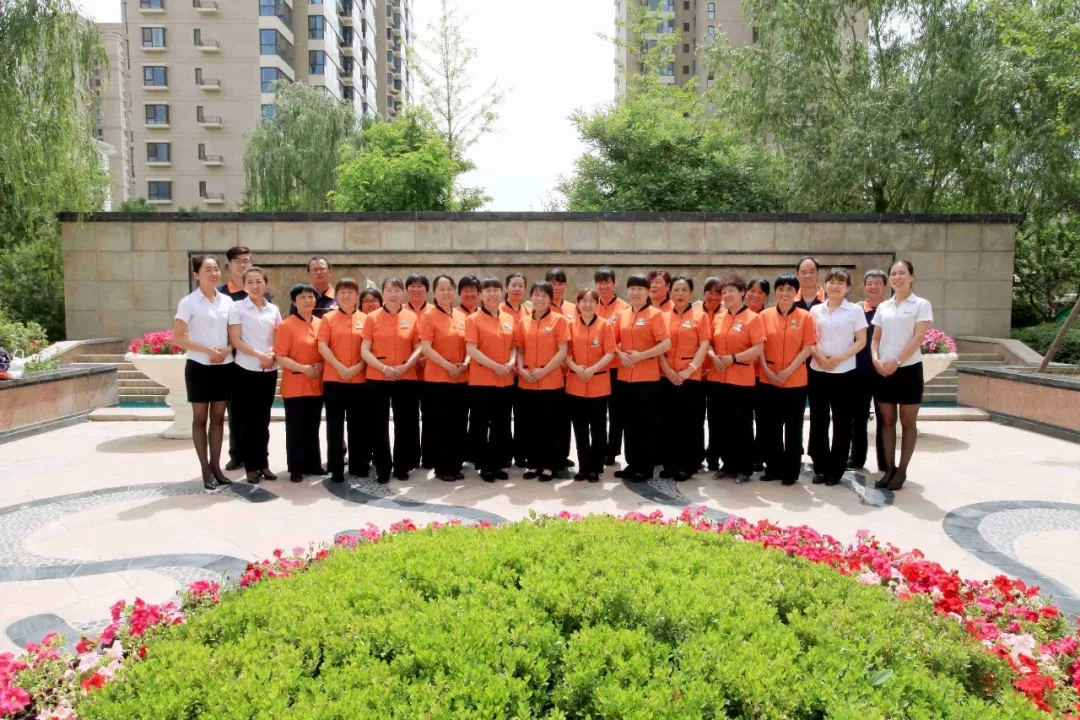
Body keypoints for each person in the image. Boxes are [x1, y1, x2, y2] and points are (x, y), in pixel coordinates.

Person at [172, 255, 234, 489]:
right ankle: (205, 469)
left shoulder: (227, 302)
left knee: (218, 417)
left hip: (224, 366)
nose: (214, 273)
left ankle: (216, 466)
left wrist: (226, 350)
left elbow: (235, 334)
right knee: (200, 418)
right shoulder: (188, 302)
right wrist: (207, 350)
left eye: (216, 269)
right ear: (196, 274)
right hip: (199, 366)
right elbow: (177, 338)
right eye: (208, 270)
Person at [871, 260, 933, 491]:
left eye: (902, 273)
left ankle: (902, 470)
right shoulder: (883, 307)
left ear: (911, 277)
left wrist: (897, 362)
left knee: (907, 422)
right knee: (887, 420)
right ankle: (889, 468)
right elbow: (876, 338)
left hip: (908, 370)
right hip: (883, 370)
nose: (898, 277)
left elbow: (918, 338)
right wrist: (876, 359)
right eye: (894, 274)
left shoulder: (921, 305)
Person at [808, 268, 868, 486]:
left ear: (847, 287)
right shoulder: (815, 310)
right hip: (818, 370)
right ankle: (820, 466)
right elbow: (809, 339)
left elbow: (861, 341)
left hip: (844, 373)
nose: (835, 286)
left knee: (842, 422)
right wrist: (819, 357)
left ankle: (835, 469)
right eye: (831, 282)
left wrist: (841, 358)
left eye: (840, 283)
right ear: (825, 285)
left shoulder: (855, 311)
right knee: (819, 420)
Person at [361, 278, 423, 483]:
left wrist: (407, 366)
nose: (393, 294)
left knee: (404, 424)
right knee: (378, 424)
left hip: (405, 376)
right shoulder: (372, 318)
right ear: (382, 293)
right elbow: (365, 350)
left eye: (397, 290)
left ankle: (401, 465)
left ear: (402, 293)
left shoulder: (411, 317)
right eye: (388, 290)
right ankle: (383, 467)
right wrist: (384, 368)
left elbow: (419, 346)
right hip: (378, 377)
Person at [757, 274, 816, 485]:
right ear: (775, 292)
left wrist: (788, 371)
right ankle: (773, 468)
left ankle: (790, 471)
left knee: (793, 428)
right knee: (770, 426)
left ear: (796, 293)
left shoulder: (805, 317)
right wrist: (766, 369)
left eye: (789, 289)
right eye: (781, 289)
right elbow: (759, 346)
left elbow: (807, 348)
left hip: (795, 381)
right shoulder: (764, 316)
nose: (785, 293)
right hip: (768, 379)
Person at [612, 274, 671, 482]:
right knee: (628, 424)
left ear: (647, 292)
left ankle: (644, 468)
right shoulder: (623, 315)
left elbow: (666, 344)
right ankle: (632, 464)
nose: (635, 293)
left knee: (644, 425)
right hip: (624, 378)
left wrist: (641, 355)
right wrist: (620, 355)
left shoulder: (655, 315)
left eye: (640, 289)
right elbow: (612, 341)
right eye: (632, 288)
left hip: (647, 380)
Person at [707, 274, 766, 483]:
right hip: (717, 378)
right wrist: (713, 356)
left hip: (741, 380)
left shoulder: (753, 318)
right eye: (724, 292)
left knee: (742, 424)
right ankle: (728, 464)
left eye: (731, 290)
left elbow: (758, 348)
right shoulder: (719, 317)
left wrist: (733, 358)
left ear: (742, 292)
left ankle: (744, 468)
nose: (727, 295)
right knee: (721, 424)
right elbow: (709, 343)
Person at [227, 266, 281, 484]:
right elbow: (236, 340)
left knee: (263, 419)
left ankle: (263, 463)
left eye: (259, 281)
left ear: (266, 283)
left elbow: (279, 337)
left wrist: (273, 354)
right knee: (247, 420)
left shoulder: (273, 310)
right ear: (244, 285)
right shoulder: (237, 308)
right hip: (245, 369)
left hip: (269, 370)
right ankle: (251, 466)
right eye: (250, 282)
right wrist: (259, 354)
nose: (255, 286)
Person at [219, 245, 271, 472]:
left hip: (258, 364)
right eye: (238, 261)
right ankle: (237, 454)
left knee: (258, 416)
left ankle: (258, 459)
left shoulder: (265, 299)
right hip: (231, 361)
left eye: (246, 261)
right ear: (229, 265)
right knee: (236, 412)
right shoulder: (222, 295)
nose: (243, 264)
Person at [514, 281, 571, 481]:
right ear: (530, 297)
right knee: (530, 425)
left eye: (544, 295)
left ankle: (550, 466)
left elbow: (562, 351)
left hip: (551, 381)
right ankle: (533, 464)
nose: (539, 299)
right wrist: (521, 369)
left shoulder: (559, 320)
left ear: (550, 299)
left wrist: (544, 370)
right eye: (536, 295)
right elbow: (519, 349)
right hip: (527, 380)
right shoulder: (523, 322)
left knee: (550, 425)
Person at [657, 275, 710, 481]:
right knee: (668, 422)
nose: (680, 294)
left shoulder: (700, 316)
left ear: (691, 293)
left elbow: (704, 345)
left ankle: (686, 465)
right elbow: (659, 346)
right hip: (666, 376)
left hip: (690, 377)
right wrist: (668, 371)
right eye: (676, 290)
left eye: (684, 290)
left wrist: (690, 370)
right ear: (670, 292)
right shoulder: (662, 316)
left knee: (689, 422)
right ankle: (669, 463)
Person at [464, 277, 517, 482]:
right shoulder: (473, 319)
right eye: (487, 290)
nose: (492, 294)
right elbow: (471, 349)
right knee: (480, 424)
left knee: (501, 424)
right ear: (480, 295)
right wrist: (496, 366)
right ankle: (484, 465)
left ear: (502, 293)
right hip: (482, 381)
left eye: (496, 289)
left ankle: (497, 463)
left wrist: (510, 363)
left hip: (505, 380)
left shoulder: (509, 318)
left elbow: (514, 346)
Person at [317, 278, 369, 484]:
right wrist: (339, 367)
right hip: (334, 380)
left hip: (359, 380)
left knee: (359, 426)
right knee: (335, 426)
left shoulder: (367, 319)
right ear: (336, 296)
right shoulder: (328, 318)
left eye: (350, 292)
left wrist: (358, 367)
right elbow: (323, 346)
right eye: (342, 292)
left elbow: (370, 348)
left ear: (357, 295)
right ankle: (336, 467)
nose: (346, 296)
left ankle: (359, 465)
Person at [419, 275, 470, 482]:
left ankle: (456, 464)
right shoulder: (428, 316)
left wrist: (465, 363)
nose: (446, 292)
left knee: (459, 423)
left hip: (461, 378)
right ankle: (442, 467)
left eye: (449, 288)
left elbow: (470, 345)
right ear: (434, 293)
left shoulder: (461, 316)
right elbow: (426, 348)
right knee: (441, 424)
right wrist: (448, 366)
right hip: (438, 379)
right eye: (441, 289)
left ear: (455, 292)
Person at [274, 283, 325, 482]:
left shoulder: (321, 323)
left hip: (316, 383)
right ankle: (296, 468)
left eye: (310, 296)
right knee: (296, 428)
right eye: (302, 297)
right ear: (294, 302)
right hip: (295, 384)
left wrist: (320, 364)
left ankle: (313, 464)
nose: (307, 300)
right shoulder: (286, 325)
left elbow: (326, 350)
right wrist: (304, 368)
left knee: (313, 426)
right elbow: (280, 356)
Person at [566, 288, 616, 483]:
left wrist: (593, 369)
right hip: (576, 383)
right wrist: (576, 368)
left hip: (599, 384)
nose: (587, 305)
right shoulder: (570, 325)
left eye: (592, 301)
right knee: (579, 429)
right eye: (583, 301)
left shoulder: (605, 325)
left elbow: (610, 352)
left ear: (597, 304)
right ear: (578, 304)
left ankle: (596, 468)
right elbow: (564, 353)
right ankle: (583, 467)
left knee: (598, 429)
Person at [850, 269, 889, 472]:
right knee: (858, 418)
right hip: (860, 372)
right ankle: (856, 458)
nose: (873, 287)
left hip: (883, 371)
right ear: (864, 286)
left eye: (878, 283)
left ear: (885, 287)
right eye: (870, 283)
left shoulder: (890, 310)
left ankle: (885, 461)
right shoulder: (856, 310)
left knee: (885, 419)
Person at [594, 267, 630, 466]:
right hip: (596, 368)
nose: (603, 286)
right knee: (598, 412)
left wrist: (612, 349)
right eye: (600, 282)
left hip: (616, 368)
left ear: (614, 284)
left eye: (607, 282)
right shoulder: (591, 304)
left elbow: (625, 338)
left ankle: (612, 450)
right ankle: (599, 448)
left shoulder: (623, 308)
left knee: (616, 412)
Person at [545, 267, 576, 470]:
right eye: (552, 283)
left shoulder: (574, 308)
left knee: (565, 417)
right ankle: (547, 454)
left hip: (570, 372)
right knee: (549, 417)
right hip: (549, 372)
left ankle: (563, 454)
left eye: (560, 283)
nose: (556, 287)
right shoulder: (540, 308)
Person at [500, 272, 529, 469]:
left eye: (520, 285)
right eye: (513, 285)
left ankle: (521, 454)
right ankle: (503, 455)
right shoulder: (498, 310)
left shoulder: (529, 311)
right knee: (502, 417)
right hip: (503, 371)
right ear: (506, 288)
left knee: (523, 416)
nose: (517, 289)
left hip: (524, 373)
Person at [406, 273, 434, 470]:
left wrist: (424, 358)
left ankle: (430, 456)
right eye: (412, 286)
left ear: (427, 290)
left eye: (420, 286)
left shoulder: (434, 311)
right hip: (407, 374)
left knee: (431, 417)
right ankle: (411, 457)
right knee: (408, 417)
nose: (416, 289)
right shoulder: (400, 310)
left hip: (430, 373)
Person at [746, 278, 771, 473]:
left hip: (762, 376)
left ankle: (760, 456)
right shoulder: (738, 314)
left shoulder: (768, 317)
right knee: (744, 419)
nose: (755, 295)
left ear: (767, 297)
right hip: (741, 376)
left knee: (763, 419)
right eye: (752, 291)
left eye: (760, 292)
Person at [700, 276, 725, 472]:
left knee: (717, 419)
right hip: (694, 375)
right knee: (695, 419)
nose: (714, 297)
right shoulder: (694, 313)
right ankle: (696, 455)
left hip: (717, 375)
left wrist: (712, 369)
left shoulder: (725, 315)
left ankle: (714, 456)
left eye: (718, 294)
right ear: (703, 294)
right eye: (710, 293)